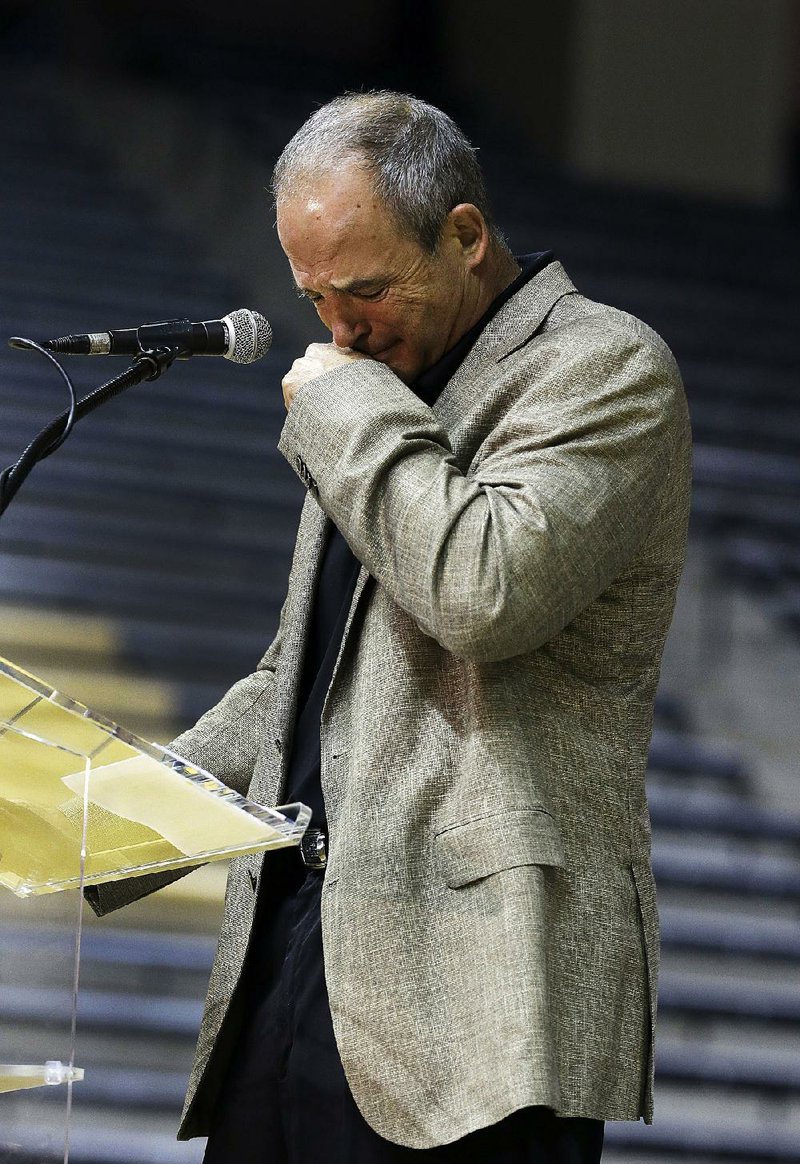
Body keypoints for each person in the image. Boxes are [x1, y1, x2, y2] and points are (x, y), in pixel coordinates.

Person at [91, 91, 691, 1163]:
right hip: (297, 960)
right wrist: (113, 820)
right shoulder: (380, 389)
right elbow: (301, 676)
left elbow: (482, 589)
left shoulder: (602, 367)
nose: (337, 330)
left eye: (365, 289)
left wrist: (342, 410)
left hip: (477, 1003)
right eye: (313, 297)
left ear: (463, 237)